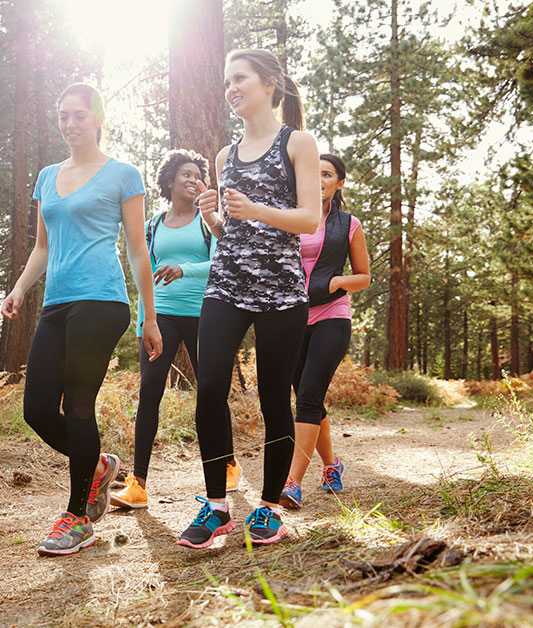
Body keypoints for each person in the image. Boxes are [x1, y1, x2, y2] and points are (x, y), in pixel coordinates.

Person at [1, 83, 162, 556]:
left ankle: (76, 517)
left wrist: (148, 317)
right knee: (35, 408)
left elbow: (137, 249)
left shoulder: (122, 175)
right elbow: (42, 247)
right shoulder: (48, 176)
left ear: (97, 118)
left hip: (102, 299)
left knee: (78, 405)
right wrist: (20, 287)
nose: (69, 123)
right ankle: (96, 465)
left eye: (78, 115)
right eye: (62, 115)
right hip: (57, 302)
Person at [176, 49, 321, 549]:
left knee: (272, 395)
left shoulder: (297, 142)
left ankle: (269, 508)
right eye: (226, 81)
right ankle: (216, 506)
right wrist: (214, 216)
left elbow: (309, 219)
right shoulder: (225, 155)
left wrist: (257, 207)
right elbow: (230, 232)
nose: (230, 88)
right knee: (210, 384)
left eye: (239, 79)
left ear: (268, 84)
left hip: (280, 289)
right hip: (227, 283)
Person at [111, 149, 241, 510]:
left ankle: (227, 465)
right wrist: (143, 321)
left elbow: (221, 262)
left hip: (206, 313)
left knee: (211, 394)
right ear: (169, 180)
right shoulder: (153, 224)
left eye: (197, 174)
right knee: (149, 393)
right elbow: (144, 273)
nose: (191, 179)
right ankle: (138, 484)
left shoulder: (207, 221)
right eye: (184, 173)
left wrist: (186, 269)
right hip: (162, 314)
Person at [280, 154, 371, 509]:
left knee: (308, 395)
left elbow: (364, 277)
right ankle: (332, 466)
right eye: (313, 171)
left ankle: (292, 483)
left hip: (332, 315)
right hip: (290, 317)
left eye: (327, 174)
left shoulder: (348, 224)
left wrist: (335, 281)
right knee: (308, 398)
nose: (319, 178)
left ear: (339, 182)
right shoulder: (289, 218)